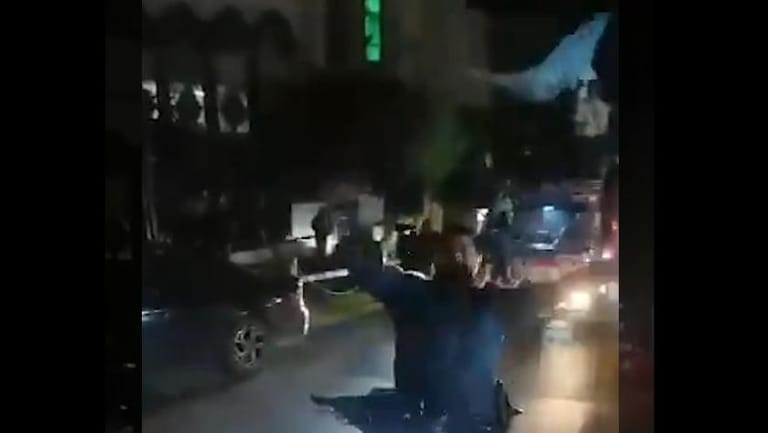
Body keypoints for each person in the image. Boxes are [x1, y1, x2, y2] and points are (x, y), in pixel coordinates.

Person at [345, 228, 522, 432]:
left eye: (464, 251)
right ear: (436, 260)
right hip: (423, 416)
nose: (458, 257)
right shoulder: (414, 292)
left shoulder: (488, 302)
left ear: (479, 260)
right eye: (451, 252)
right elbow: (374, 278)